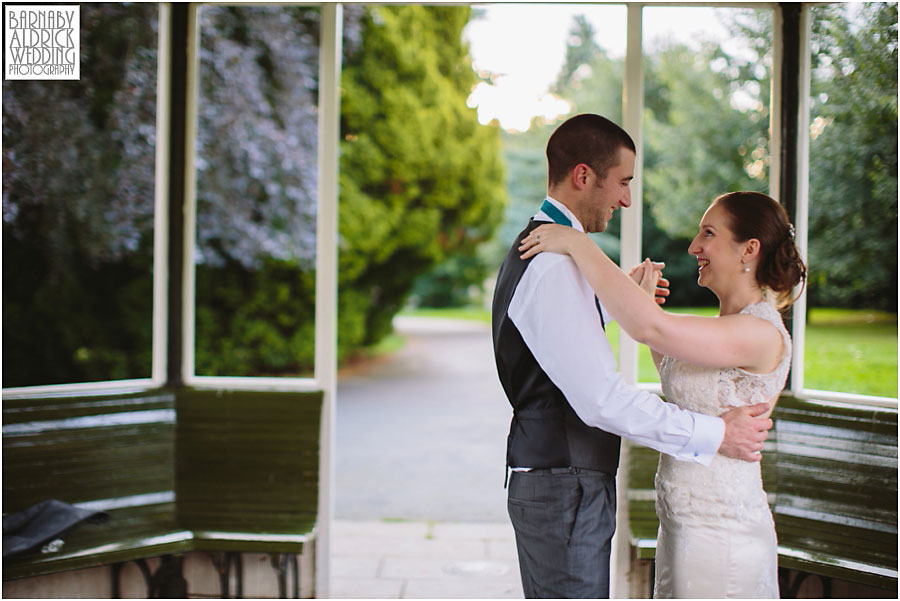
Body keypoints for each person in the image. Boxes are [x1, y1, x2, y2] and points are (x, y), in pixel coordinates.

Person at [491, 113, 773, 599]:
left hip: (563, 480)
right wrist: (716, 433)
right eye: (622, 182)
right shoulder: (555, 261)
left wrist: (616, 303)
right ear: (584, 176)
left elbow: (558, 344)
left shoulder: (547, 250)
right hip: (566, 484)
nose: (626, 198)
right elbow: (601, 399)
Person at [519, 190, 807, 598]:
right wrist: (639, 300)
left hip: (721, 529)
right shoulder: (717, 331)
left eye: (708, 233)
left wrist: (578, 244)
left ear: (750, 249)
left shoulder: (759, 332)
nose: (694, 247)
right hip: (681, 524)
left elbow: (650, 328)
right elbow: (662, 345)